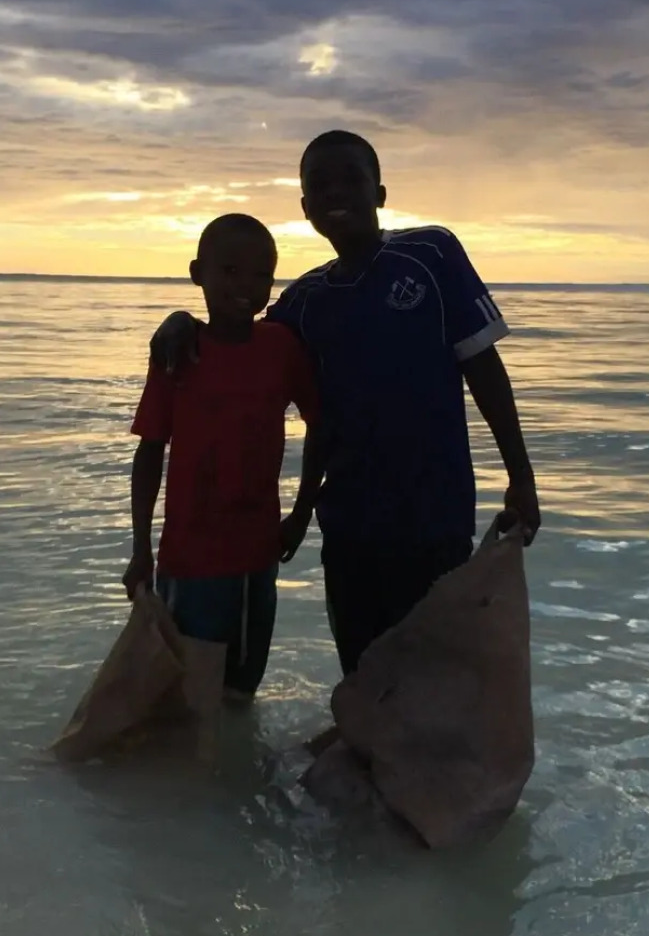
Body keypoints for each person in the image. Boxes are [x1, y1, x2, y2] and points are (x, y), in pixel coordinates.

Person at [149, 131, 541, 677]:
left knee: (436, 677)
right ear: (306, 208)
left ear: (379, 193)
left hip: (435, 514)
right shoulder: (306, 301)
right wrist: (181, 322)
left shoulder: (431, 253)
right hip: (350, 524)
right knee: (364, 675)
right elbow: (236, 336)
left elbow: (482, 365)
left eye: (351, 179)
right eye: (320, 184)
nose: (337, 192)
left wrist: (521, 475)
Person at [124, 213, 320, 702]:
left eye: (261, 276)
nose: (246, 287)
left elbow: (323, 427)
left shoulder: (280, 347)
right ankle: (191, 777)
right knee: (185, 693)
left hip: (256, 558)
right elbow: (150, 451)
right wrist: (139, 549)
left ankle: (233, 772)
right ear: (198, 273)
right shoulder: (178, 352)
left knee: (239, 692)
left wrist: (301, 513)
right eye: (230, 272)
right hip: (186, 560)